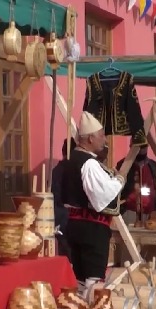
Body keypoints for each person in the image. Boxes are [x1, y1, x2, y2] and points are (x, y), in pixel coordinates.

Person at [62, 112, 125, 288]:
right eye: (101, 135)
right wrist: (119, 180)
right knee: (93, 280)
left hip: (74, 227)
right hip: (91, 228)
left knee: (80, 278)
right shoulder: (89, 163)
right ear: (90, 139)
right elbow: (102, 195)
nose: (104, 140)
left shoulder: (69, 160)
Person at [116, 145, 156, 224]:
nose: (141, 148)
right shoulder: (123, 165)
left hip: (150, 215)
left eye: (144, 146)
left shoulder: (154, 166)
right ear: (131, 146)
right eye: (138, 145)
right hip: (128, 213)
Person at [51, 138, 78, 258]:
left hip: (62, 214)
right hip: (65, 215)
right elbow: (55, 193)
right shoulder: (67, 170)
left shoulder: (57, 170)